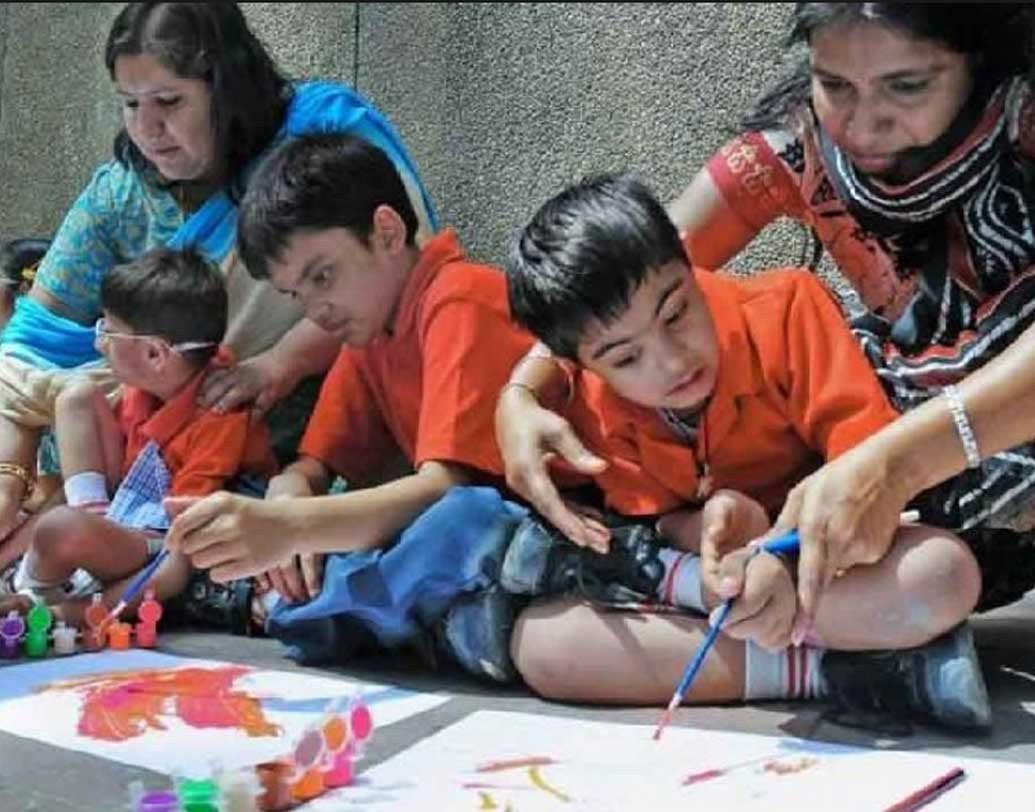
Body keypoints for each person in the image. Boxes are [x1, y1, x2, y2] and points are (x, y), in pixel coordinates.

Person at [494, 2, 1035, 706]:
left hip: (960, 479)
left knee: (933, 570)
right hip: (874, 501)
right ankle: (837, 660)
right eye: (833, 85)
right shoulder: (800, 144)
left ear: (979, 60)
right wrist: (521, 390)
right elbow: (631, 274)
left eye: (906, 86)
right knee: (552, 640)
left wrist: (894, 464)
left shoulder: (1023, 128)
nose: (860, 125)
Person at [496, 172, 988, 732]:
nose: (671, 361)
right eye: (626, 358)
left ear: (689, 259)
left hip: (828, 565)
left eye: (676, 314)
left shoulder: (786, 310)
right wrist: (708, 540)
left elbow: (865, 475)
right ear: (579, 364)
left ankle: (713, 608)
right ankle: (844, 673)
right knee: (544, 647)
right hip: (722, 590)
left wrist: (780, 553)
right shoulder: (593, 404)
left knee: (942, 574)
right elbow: (659, 518)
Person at [0, 1, 437, 566]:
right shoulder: (119, 195)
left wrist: (279, 363)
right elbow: (26, 355)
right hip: (139, 448)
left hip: (288, 440)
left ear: (225, 89)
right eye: (130, 104)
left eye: (169, 102)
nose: (147, 128)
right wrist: (9, 474)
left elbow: (400, 275)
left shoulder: (316, 143)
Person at [164, 133, 540, 680]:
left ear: (386, 232)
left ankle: (309, 608)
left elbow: (445, 488)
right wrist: (288, 493)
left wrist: (291, 527)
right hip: (463, 552)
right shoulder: (371, 331)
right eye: (297, 295)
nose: (316, 310)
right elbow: (313, 467)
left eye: (322, 276)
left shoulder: (458, 298)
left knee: (460, 519)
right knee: (303, 519)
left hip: (530, 529)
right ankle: (339, 607)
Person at [1, 247, 276, 624]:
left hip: (164, 536)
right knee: (76, 397)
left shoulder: (220, 415)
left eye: (108, 331)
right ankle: (44, 572)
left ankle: (41, 602)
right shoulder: (146, 387)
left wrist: (72, 611)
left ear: (155, 354)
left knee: (62, 530)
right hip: (118, 511)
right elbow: (86, 484)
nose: (99, 343)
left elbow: (181, 549)